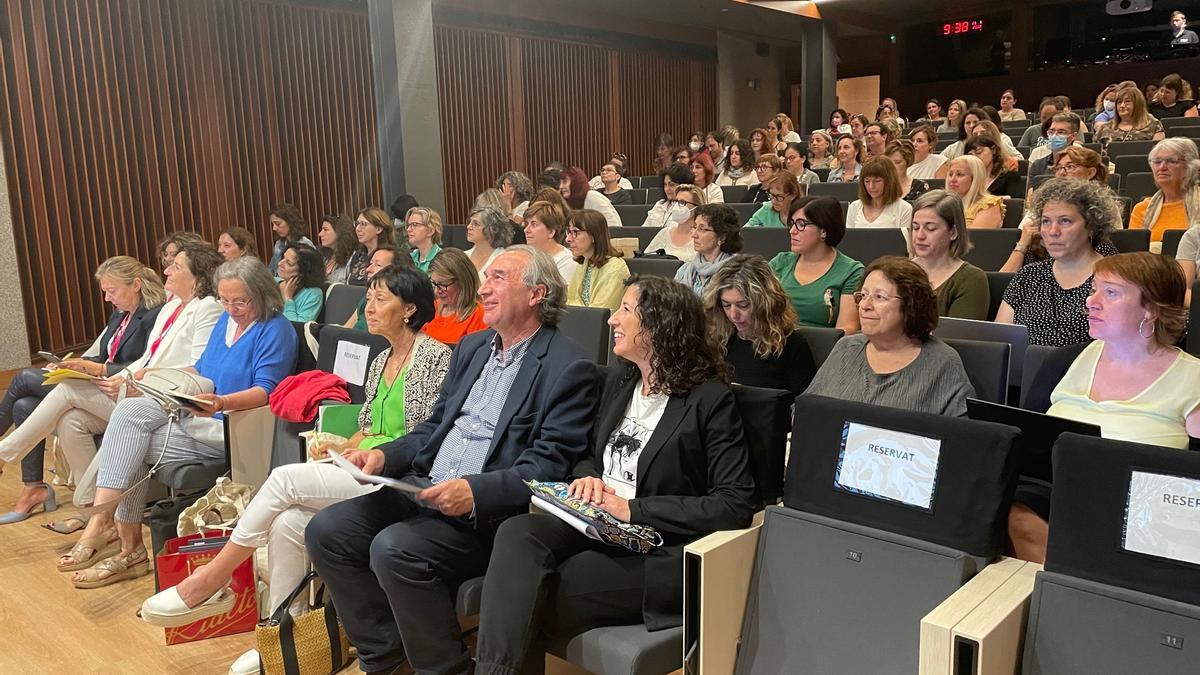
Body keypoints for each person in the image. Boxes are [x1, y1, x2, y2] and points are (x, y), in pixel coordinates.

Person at [139, 266, 452, 675]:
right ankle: (283, 638)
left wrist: (363, 454)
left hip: (397, 477)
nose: (368, 308)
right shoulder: (382, 358)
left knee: (284, 478)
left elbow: (423, 438)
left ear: (410, 309)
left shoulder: (434, 357)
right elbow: (368, 427)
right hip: (361, 466)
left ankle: (214, 577)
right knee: (288, 522)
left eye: (380, 299)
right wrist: (341, 447)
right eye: (369, 298)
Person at [303, 245, 600, 675]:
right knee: (327, 531)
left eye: (498, 278)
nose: (483, 288)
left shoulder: (567, 365)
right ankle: (387, 660)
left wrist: (473, 491)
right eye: (485, 278)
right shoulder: (473, 347)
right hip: (424, 484)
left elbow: (548, 466)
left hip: (487, 513)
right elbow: (433, 427)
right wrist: (382, 455)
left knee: (394, 550)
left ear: (537, 294)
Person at [474, 273, 753, 675]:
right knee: (517, 533)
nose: (611, 320)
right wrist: (589, 476)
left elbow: (733, 504)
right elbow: (589, 453)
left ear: (658, 325)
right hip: (596, 522)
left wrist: (633, 510)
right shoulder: (622, 379)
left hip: (653, 546)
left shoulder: (710, 400)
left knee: (526, 593)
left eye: (625, 310)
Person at [59, 256, 298, 587]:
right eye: (225, 301)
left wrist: (221, 401)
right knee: (130, 413)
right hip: (199, 412)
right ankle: (116, 534)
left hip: (233, 426)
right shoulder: (226, 323)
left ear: (262, 294)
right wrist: (158, 376)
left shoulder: (275, 329)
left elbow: (265, 392)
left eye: (240, 301)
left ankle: (119, 538)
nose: (231, 309)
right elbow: (200, 369)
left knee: (132, 442)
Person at [0, 246, 223, 529]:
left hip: (165, 400)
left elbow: (198, 368)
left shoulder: (208, 309)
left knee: (63, 390)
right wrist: (123, 377)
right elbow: (146, 358)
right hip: (137, 389)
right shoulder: (171, 308)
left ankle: (4, 453)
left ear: (198, 277)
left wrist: (135, 379)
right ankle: (93, 514)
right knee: (72, 421)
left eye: (176, 266)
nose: (166, 269)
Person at [1008, 252, 1199, 564]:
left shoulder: (1193, 379)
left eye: (1110, 293)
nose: (1091, 302)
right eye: (1094, 289)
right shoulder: (1062, 361)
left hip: (1141, 508)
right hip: (1054, 491)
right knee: (1009, 506)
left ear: (1150, 309)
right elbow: (1027, 438)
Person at [0, 258, 165, 524]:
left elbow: (146, 364)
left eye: (112, 291)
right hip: (108, 393)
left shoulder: (155, 315)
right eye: (105, 291)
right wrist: (76, 366)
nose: (107, 298)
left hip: (136, 400)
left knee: (56, 387)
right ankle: (92, 513)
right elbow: (103, 357)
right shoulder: (120, 315)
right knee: (63, 418)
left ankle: (4, 452)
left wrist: (94, 369)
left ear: (135, 285)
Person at [805, 257, 975, 416]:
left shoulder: (943, 361)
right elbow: (804, 411)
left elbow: (960, 437)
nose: (865, 305)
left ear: (911, 305)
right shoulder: (846, 348)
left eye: (879, 297)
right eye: (863, 295)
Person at [996, 178, 1120, 346]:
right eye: (1046, 221)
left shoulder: (1115, 280)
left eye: (1065, 221)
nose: (1053, 231)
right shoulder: (1028, 275)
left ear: (1091, 226)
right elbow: (1001, 343)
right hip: (1025, 369)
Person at [704, 254, 815, 395]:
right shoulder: (716, 339)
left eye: (743, 305)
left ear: (765, 304)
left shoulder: (792, 346)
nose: (733, 315)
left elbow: (802, 406)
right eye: (726, 305)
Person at [1004, 147, 1120, 273]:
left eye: (1070, 167)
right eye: (1058, 168)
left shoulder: (1103, 217)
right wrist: (1022, 243)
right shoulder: (1044, 204)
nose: (1062, 173)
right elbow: (1005, 280)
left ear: (1091, 173)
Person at [769, 196, 864, 332]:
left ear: (823, 231)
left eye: (801, 224)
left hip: (823, 348)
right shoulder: (781, 262)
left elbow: (846, 329)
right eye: (792, 223)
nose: (792, 231)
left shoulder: (851, 272)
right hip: (777, 343)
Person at [909, 191, 989, 320]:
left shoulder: (971, 279)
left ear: (953, 232)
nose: (920, 236)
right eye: (915, 227)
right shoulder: (896, 272)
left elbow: (961, 337)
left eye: (930, 229)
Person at [1128, 137, 1200, 243]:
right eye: (1157, 162)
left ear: (1190, 166)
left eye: (1171, 161)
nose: (1162, 167)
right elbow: (1135, 252)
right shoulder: (1142, 209)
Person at [566, 209, 630, 311]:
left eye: (575, 232)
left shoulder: (616, 268)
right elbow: (568, 302)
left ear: (594, 236)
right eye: (568, 232)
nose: (568, 239)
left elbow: (601, 313)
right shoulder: (583, 264)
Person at [676, 203, 743, 295]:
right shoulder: (684, 271)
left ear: (722, 237)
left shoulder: (737, 272)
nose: (694, 235)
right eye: (695, 227)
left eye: (702, 229)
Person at [424, 248, 488, 346]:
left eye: (443, 284)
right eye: (434, 283)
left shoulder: (479, 316)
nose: (437, 291)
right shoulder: (432, 307)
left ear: (463, 282)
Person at [846, 155, 914, 231]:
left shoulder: (904, 209)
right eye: (867, 181)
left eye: (877, 181)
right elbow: (849, 240)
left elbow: (905, 241)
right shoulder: (854, 207)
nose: (871, 186)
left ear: (889, 181)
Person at [645, 184, 704, 261]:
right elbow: (645, 260)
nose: (677, 206)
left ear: (696, 207)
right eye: (676, 201)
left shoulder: (701, 237)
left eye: (682, 202)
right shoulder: (664, 233)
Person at [523, 199, 576, 282]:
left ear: (551, 231)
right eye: (526, 224)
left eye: (534, 224)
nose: (526, 230)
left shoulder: (567, 262)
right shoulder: (528, 257)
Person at [946, 155, 1005, 228]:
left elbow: (975, 238)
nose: (952, 179)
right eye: (950, 174)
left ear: (975, 179)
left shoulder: (989, 205)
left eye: (959, 174)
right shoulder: (943, 203)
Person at [1094, 85, 1165, 143]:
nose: (1122, 105)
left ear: (1138, 105)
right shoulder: (1104, 128)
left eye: (1127, 102)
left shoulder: (1154, 125)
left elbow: (1158, 154)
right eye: (1119, 102)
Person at [346, 207, 397, 286]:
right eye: (357, 224)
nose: (358, 229)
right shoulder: (358, 255)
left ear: (379, 229)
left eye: (363, 224)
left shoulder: (392, 255)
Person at [276, 243, 325, 322]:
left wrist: (288, 299)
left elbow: (297, 329)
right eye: (283, 258)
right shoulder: (271, 283)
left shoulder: (313, 294)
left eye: (289, 263)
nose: (280, 264)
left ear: (303, 272)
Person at [965, 133, 1023, 199]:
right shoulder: (966, 179)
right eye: (970, 155)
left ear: (993, 150)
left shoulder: (1010, 177)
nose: (974, 157)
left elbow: (1014, 202)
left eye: (979, 152)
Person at [1027, 112, 1083, 179]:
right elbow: (1030, 188)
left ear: (1073, 136)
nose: (1054, 136)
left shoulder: (1083, 162)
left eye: (1061, 132)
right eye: (1051, 132)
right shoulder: (1038, 164)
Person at [465, 205, 514, 280]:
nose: (469, 227)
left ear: (491, 229)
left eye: (476, 224)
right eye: (470, 222)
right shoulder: (463, 256)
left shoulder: (504, 258)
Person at [641, 163, 696, 228]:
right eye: (665, 184)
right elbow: (644, 230)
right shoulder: (659, 205)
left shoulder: (689, 207)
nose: (667, 189)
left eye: (672, 185)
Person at [266, 204, 313, 276]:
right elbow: (272, 271)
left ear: (290, 222)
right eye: (273, 224)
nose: (274, 228)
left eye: (278, 224)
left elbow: (308, 275)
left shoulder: (305, 245)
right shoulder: (279, 244)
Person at [316, 214, 357, 283]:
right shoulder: (321, 256)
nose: (320, 234)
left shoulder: (353, 258)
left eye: (325, 230)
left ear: (339, 232)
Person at [405, 206, 443, 273]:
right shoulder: (408, 259)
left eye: (415, 224)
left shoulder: (442, 260)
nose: (408, 229)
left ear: (430, 231)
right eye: (408, 225)